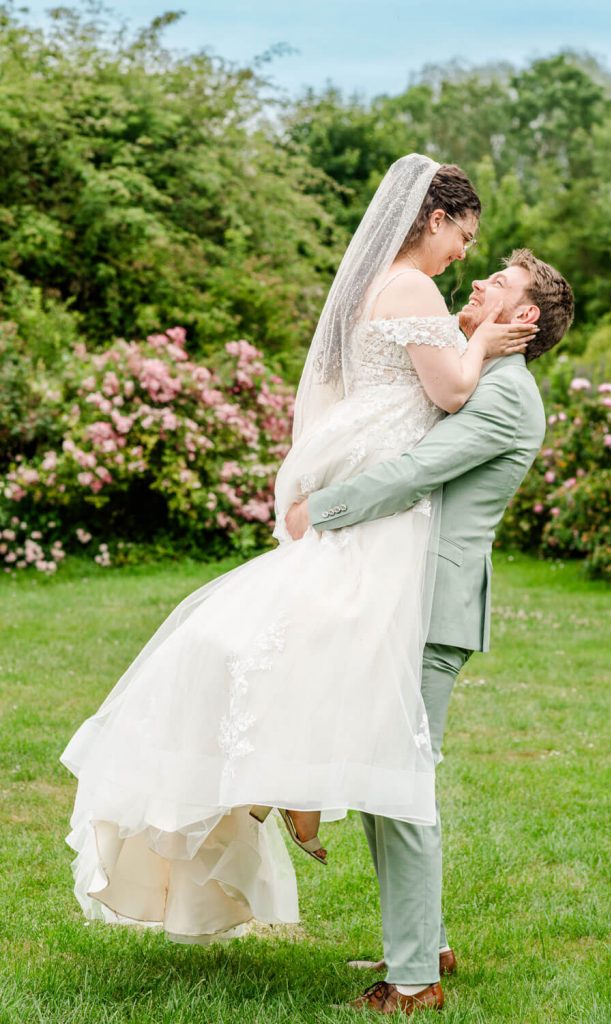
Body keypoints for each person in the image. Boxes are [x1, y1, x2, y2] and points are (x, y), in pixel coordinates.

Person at [60, 154, 534, 946]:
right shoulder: (414, 286)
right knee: (329, 644)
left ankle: (288, 782)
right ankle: (288, 780)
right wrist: (481, 339)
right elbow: (448, 393)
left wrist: (466, 334)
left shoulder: (385, 285)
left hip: (365, 476)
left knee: (304, 633)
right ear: (434, 218)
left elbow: (417, 380)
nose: (464, 256)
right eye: (464, 235)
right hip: (378, 492)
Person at [285, 249, 575, 1013]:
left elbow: (419, 469)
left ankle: (414, 980)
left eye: (499, 284)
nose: (476, 282)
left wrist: (324, 508)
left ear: (524, 318)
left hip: (431, 606)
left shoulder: (508, 395)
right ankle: (424, 942)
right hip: (398, 594)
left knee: (402, 781)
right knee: (386, 779)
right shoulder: (478, 375)